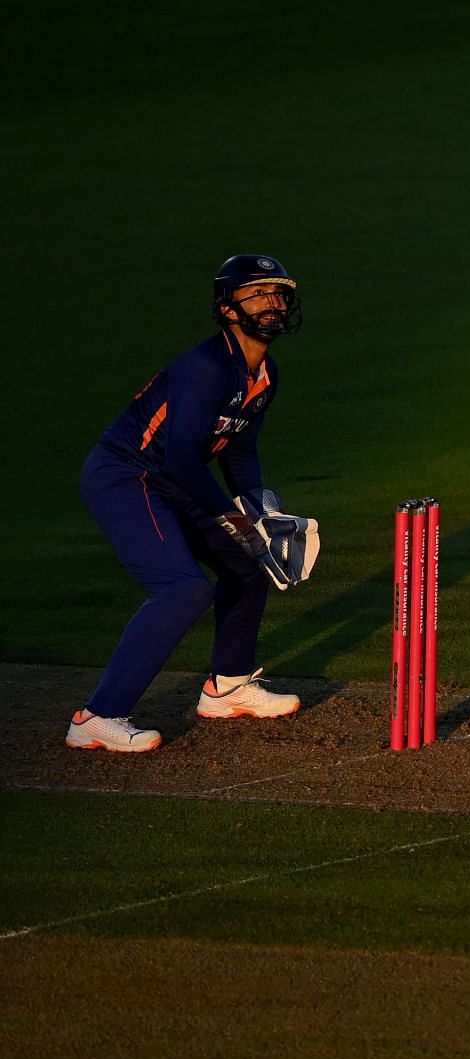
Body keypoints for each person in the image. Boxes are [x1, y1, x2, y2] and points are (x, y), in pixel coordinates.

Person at [67, 255, 318, 753]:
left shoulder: (264, 373)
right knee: (182, 589)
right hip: (127, 475)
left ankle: (227, 686)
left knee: (249, 567)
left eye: (277, 293)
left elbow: (239, 447)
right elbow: (182, 461)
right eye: (257, 293)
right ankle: (96, 716)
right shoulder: (206, 368)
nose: (272, 303)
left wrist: (259, 513)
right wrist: (234, 516)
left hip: (170, 480)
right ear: (227, 307)